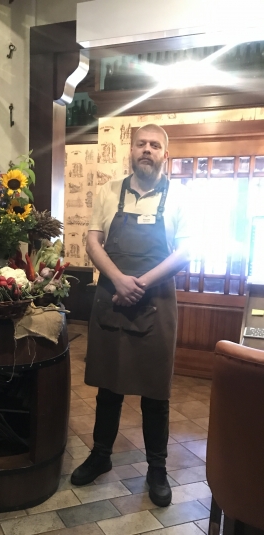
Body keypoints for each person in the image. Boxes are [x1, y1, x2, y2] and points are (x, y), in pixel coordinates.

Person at [71, 124, 191, 507]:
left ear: (165, 155)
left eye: (155, 145)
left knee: (155, 392)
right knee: (109, 386)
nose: (147, 150)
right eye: (141, 144)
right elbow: (93, 241)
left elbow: (185, 253)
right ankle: (100, 455)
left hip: (157, 302)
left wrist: (138, 283)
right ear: (131, 150)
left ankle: (157, 469)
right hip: (112, 299)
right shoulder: (109, 192)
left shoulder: (181, 197)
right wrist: (119, 280)